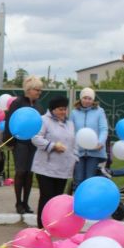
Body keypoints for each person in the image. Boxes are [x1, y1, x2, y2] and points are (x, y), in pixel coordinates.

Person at [31, 96, 77, 228]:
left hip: (63, 168)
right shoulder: (44, 121)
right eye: (60, 109)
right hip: (45, 168)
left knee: (57, 200)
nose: (63, 112)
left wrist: (75, 157)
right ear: (53, 110)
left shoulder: (70, 124)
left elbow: (73, 142)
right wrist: (52, 146)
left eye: (65, 109)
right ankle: (42, 226)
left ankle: (53, 225)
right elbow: (35, 138)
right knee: (46, 197)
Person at [3, 75, 45, 214]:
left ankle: (26, 203)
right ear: (29, 89)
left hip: (34, 144)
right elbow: (10, 121)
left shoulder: (39, 106)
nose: (39, 92)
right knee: (20, 172)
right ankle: (18, 203)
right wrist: (10, 141)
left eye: (40, 90)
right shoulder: (17, 103)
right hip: (20, 143)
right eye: (37, 90)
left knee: (29, 173)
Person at [70, 87, 108, 190]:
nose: (87, 101)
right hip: (79, 152)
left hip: (94, 151)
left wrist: (100, 142)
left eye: (90, 98)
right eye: (85, 98)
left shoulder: (99, 111)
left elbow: (103, 129)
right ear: (81, 98)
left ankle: (88, 203)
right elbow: (71, 130)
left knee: (89, 180)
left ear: (93, 100)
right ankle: (77, 204)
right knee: (78, 179)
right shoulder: (74, 112)